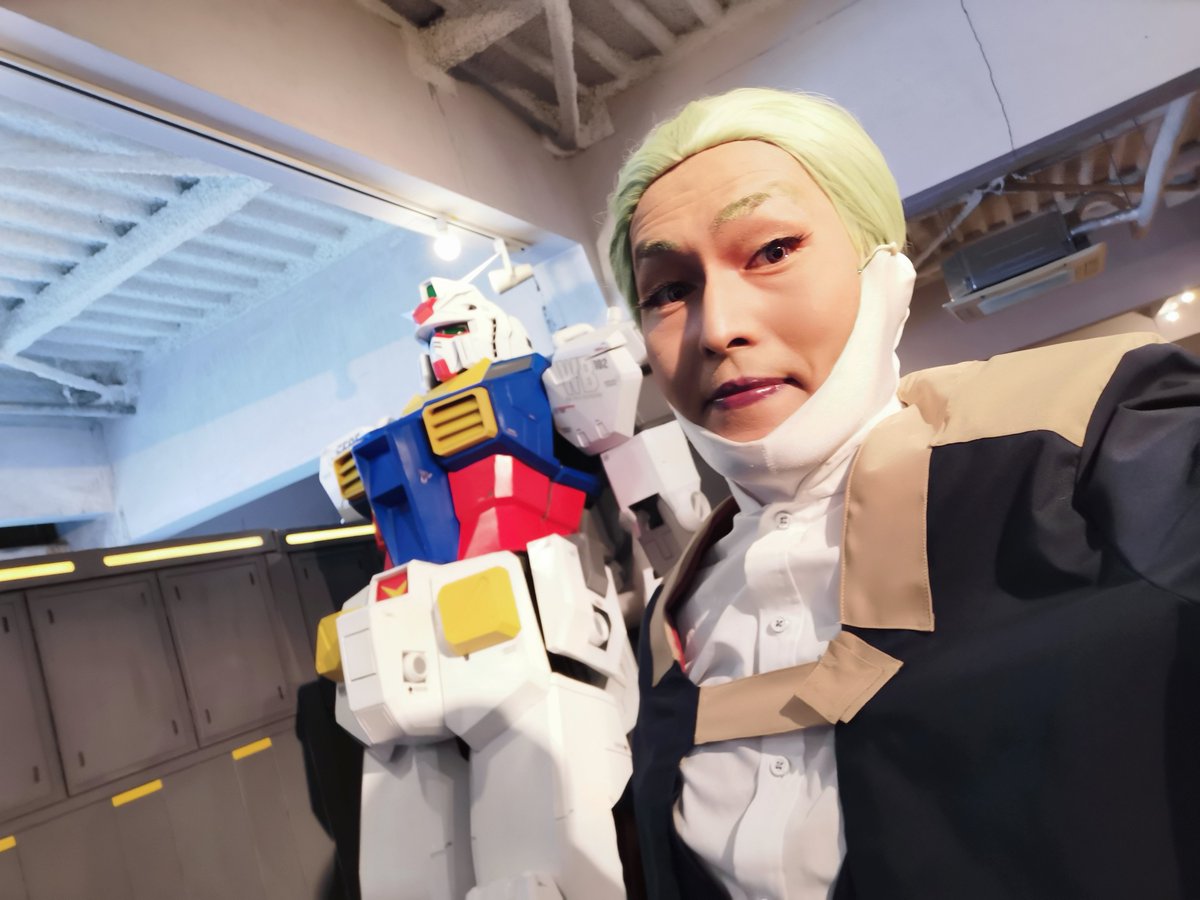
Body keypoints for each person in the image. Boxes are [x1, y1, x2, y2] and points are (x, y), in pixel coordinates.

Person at [606, 87, 1200, 899]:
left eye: (772, 250)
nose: (717, 329)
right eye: (668, 291)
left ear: (879, 267)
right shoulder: (670, 621)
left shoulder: (1092, 435)